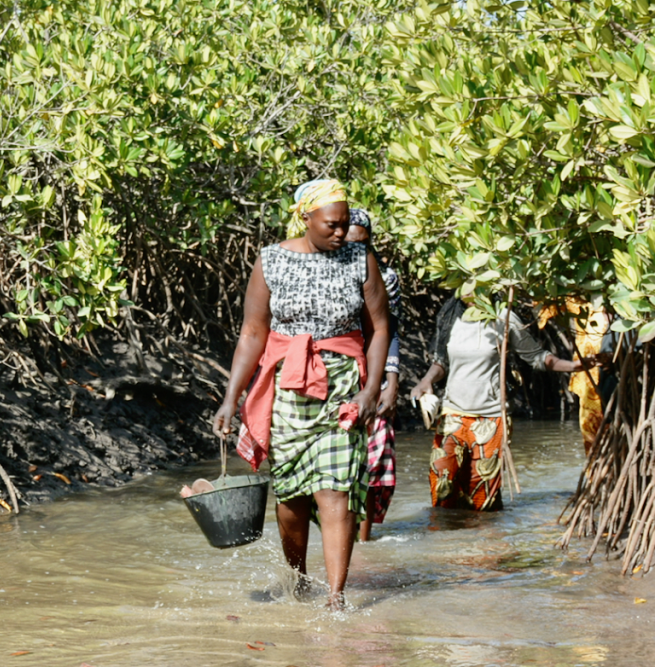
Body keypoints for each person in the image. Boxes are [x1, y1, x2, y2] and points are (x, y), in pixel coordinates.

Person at [211, 179, 390, 609]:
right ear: (305, 217)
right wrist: (230, 398)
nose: (341, 232)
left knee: (335, 488)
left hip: (343, 385)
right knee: (291, 495)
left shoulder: (360, 258)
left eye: (346, 224)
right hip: (288, 388)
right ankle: (300, 582)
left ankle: (335, 597)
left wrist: (370, 390)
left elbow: (380, 328)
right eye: (332, 224)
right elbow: (252, 333)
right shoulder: (271, 260)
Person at [410, 296, 594, 511]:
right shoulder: (452, 317)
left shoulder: (504, 319)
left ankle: (483, 541)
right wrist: (426, 381)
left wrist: (574, 366)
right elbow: (440, 362)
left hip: (491, 416)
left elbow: (536, 356)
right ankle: (446, 541)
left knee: (482, 495)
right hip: (453, 414)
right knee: (442, 484)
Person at [345, 210, 400, 541]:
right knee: (341, 463)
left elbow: (390, 330)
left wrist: (391, 383)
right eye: (350, 242)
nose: (357, 250)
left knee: (375, 461)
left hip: (375, 375)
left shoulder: (386, 276)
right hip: (338, 374)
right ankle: (341, 537)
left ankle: (364, 544)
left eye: (363, 243)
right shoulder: (324, 271)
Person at [538, 299, 611, 455]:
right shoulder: (577, 298)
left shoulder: (620, 303)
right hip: (588, 378)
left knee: (619, 427)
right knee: (592, 433)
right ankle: (597, 474)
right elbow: (542, 307)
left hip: (619, 375)